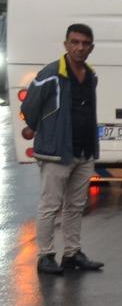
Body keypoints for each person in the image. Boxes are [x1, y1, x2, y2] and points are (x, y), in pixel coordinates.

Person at [22, 23, 105, 274]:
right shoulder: (51, 74)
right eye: (75, 42)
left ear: (92, 47)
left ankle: (72, 253)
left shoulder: (90, 75)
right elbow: (30, 106)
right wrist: (35, 127)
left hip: (84, 151)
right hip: (56, 151)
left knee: (76, 206)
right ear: (66, 44)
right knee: (50, 206)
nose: (80, 47)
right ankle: (45, 256)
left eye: (85, 43)